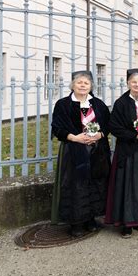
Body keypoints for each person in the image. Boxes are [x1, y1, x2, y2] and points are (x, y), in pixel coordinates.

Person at [51, 70, 111, 237]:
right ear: (73, 85)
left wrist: (99, 135)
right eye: (79, 82)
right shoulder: (63, 104)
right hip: (74, 150)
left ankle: (91, 218)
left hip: (96, 150)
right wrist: (75, 138)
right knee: (76, 186)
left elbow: (108, 124)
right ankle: (76, 222)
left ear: (91, 86)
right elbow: (57, 127)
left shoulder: (98, 104)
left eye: (86, 83)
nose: (83, 85)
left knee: (94, 183)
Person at [105, 69, 138, 238]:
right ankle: (126, 222)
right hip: (128, 149)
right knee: (127, 186)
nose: (137, 85)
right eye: (133, 82)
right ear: (128, 83)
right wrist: (135, 136)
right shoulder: (121, 103)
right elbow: (114, 127)